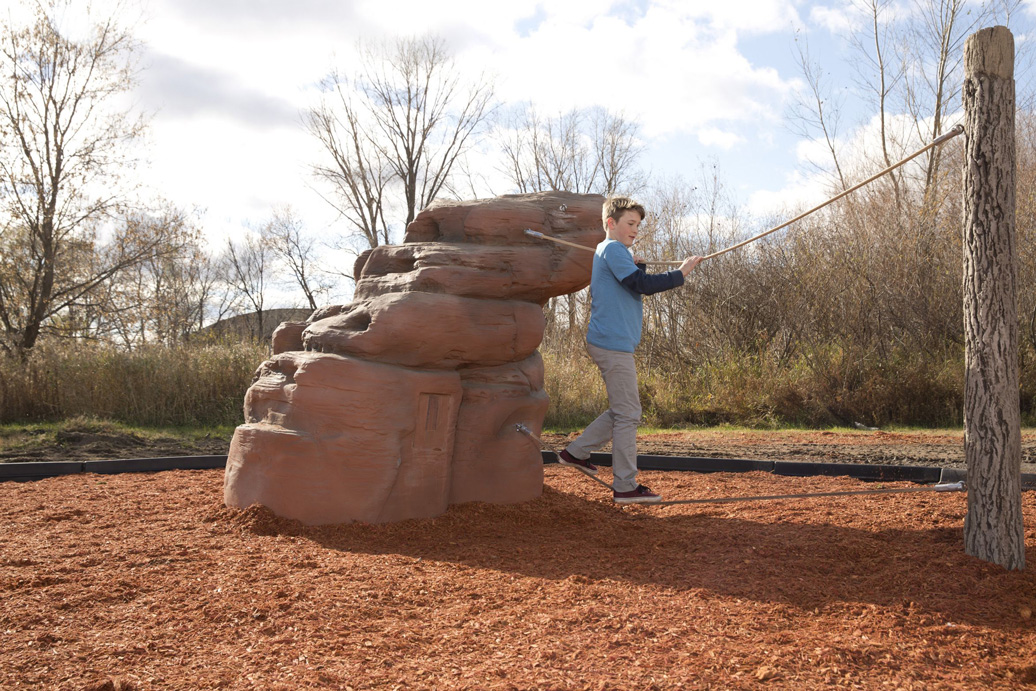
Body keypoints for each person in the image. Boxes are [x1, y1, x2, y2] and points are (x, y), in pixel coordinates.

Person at [558, 196, 703, 503]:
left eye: (638, 225)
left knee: (622, 410)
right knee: (629, 413)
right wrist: (681, 273)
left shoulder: (615, 251)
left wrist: (640, 267)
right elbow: (642, 285)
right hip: (612, 344)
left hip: (613, 342)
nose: (636, 230)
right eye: (630, 224)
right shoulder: (612, 248)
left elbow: (631, 282)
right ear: (611, 223)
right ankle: (625, 486)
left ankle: (575, 453)